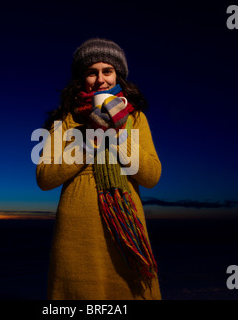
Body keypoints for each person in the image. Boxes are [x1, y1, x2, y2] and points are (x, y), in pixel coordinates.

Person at [36, 38, 162, 300]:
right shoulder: (65, 120)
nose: (100, 80)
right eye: (92, 72)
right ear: (81, 78)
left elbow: (151, 176)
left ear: (118, 76)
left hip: (126, 228)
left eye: (107, 71)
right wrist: (91, 140)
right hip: (76, 231)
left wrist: (115, 136)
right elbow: (45, 177)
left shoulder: (136, 117)